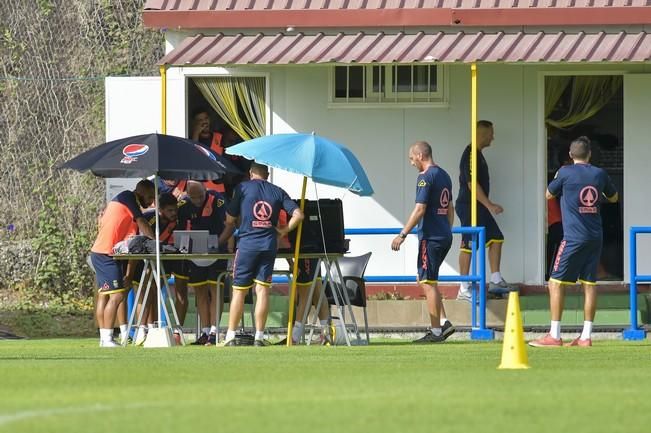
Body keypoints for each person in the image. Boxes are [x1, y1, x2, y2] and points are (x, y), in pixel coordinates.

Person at [529, 136, 618, 347]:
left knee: (555, 282)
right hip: (595, 237)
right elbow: (613, 198)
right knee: (589, 283)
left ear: (570, 155)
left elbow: (548, 194)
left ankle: (555, 335)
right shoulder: (599, 173)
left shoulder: (565, 172)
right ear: (590, 155)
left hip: (573, 237)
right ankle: (586, 337)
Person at [219, 162, 304, 347]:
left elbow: (230, 219)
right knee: (263, 290)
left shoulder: (242, 187)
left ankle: (231, 336)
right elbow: (298, 214)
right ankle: (259, 336)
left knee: (239, 291)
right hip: (269, 246)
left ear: (251, 173)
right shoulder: (277, 191)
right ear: (267, 174)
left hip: (247, 244)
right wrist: (283, 230)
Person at [391, 141, 456, 343]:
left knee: (427, 282)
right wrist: (446, 229)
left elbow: (420, 209)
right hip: (444, 235)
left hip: (431, 237)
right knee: (427, 279)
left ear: (420, 155)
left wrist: (402, 234)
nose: (411, 163)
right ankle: (444, 322)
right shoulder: (444, 175)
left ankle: (436, 332)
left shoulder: (425, 177)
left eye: (411, 158)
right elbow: (450, 209)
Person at [90, 180, 155, 347]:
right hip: (105, 254)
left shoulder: (129, 209)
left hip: (111, 253)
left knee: (110, 295)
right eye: (149, 197)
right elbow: (142, 222)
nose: (150, 202)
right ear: (140, 191)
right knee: (116, 296)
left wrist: (128, 275)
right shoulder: (128, 197)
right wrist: (155, 242)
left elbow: (132, 246)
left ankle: (105, 338)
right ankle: (107, 339)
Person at [455, 120, 513, 302]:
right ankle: (463, 287)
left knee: (496, 238)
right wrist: (490, 205)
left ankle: (495, 279)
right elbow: (472, 184)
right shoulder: (471, 154)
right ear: (482, 134)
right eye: (490, 134)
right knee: (468, 244)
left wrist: (487, 205)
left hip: (479, 206)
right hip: (469, 206)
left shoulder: (478, 155)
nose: (493, 137)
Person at [176, 181, 228, 346]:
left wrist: (218, 244)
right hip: (195, 253)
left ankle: (214, 331)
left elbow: (230, 226)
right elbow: (180, 230)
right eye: (193, 197)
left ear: (206, 190)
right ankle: (205, 332)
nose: (197, 200)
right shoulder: (183, 205)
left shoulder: (218, 201)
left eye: (200, 196)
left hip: (216, 251)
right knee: (199, 291)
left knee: (215, 290)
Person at [132, 192, 179, 346]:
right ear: (161, 209)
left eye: (175, 210)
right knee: (144, 293)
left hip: (164, 261)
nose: (173, 214)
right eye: (169, 211)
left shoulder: (178, 220)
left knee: (155, 292)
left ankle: (153, 327)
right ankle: (141, 329)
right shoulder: (149, 218)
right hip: (144, 262)